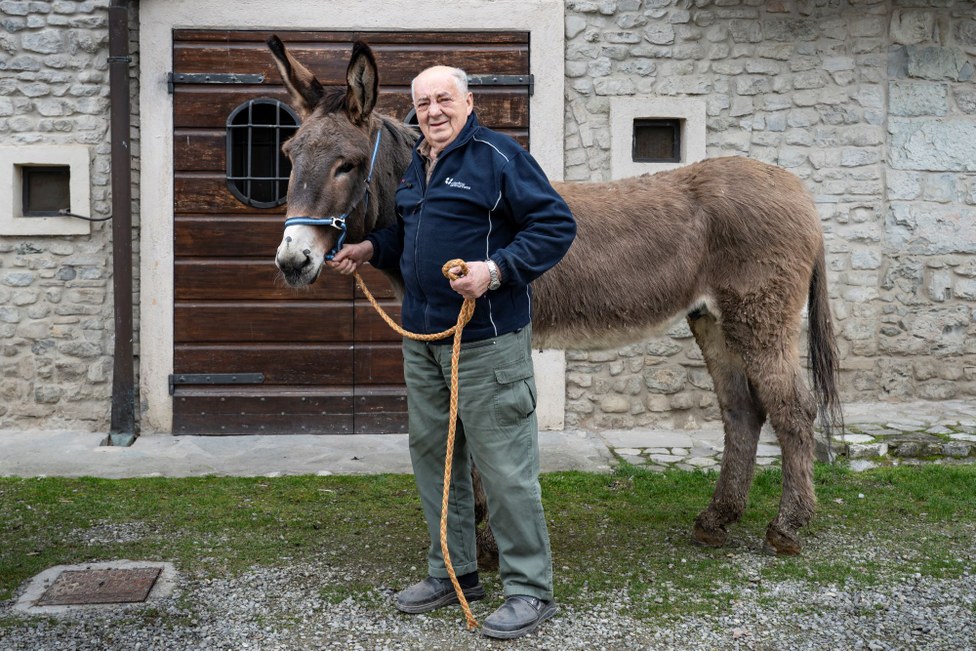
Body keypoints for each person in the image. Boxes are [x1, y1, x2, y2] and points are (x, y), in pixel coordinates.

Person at [329, 64, 576, 640]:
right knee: (437, 463)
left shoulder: (499, 157)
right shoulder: (418, 163)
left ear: (468, 101)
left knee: (506, 469)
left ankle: (530, 589)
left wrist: (496, 270)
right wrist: (369, 247)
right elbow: (410, 235)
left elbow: (555, 224)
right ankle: (454, 574)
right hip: (425, 342)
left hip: (487, 342)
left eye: (444, 99)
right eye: (423, 102)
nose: (433, 110)